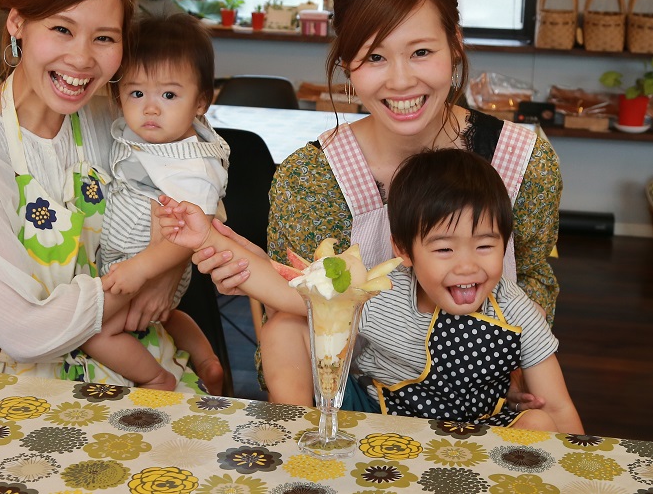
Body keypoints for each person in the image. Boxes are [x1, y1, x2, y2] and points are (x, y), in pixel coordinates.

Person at [193, 0, 563, 408]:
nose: (401, 80)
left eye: (421, 52)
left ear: (455, 44)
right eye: (374, 57)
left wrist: (509, 373)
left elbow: (533, 281)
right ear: (346, 63)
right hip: (352, 402)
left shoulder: (523, 162)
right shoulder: (312, 178)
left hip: (482, 398)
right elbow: (292, 311)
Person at [0, 0, 202, 391]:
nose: (81, 59)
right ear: (17, 22)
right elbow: (25, 332)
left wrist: (168, 267)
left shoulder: (115, 116)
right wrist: (153, 273)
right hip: (42, 394)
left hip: (152, 363)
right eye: (62, 29)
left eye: (104, 38)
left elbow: (201, 179)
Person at [159, 148, 583, 432]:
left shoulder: (517, 312)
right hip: (377, 422)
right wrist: (204, 238)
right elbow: (286, 288)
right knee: (284, 327)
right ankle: (299, 434)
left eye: (485, 246)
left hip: (477, 436)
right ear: (404, 251)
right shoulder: (383, 293)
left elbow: (558, 407)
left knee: (540, 424)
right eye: (444, 249)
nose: (467, 265)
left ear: (505, 244)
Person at [84, 13, 229, 393]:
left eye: (168, 95)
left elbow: (194, 232)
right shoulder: (146, 137)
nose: (150, 108)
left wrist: (142, 268)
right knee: (164, 316)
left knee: (94, 333)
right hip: (133, 261)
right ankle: (206, 358)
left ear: (201, 101)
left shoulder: (191, 164)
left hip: (146, 263)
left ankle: (155, 378)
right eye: (137, 94)